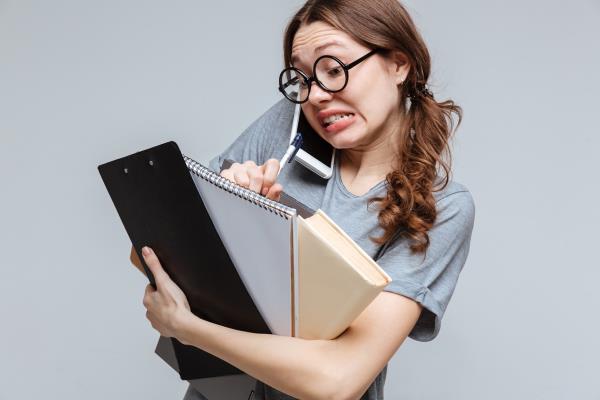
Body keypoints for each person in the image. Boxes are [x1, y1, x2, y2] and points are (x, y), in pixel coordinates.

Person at [134, 0, 475, 398]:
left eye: (334, 69)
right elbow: (144, 247)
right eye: (302, 78)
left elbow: (337, 381)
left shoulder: (440, 207)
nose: (315, 96)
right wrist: (224, 211)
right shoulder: (287, 127)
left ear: (398, 64)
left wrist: (188, 329)